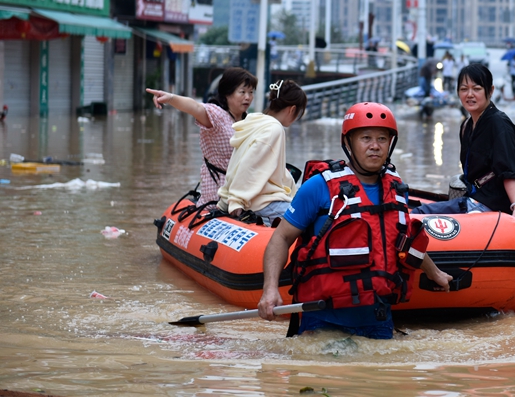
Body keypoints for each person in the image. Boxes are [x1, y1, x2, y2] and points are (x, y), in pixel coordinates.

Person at [257, 103, 452, 338]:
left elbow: (401, 242)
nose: (375, 146)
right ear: (348, 143)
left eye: (382, 138)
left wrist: (435, 273)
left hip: (378, 319)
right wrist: (270, 290)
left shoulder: (397, 188)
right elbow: (281, 237)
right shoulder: (319, 187)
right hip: (324, 318)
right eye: (366, 138)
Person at [411, 63, 515, 221]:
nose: (469, 94)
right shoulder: (466, 125)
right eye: (464, 89)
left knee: (418, 214)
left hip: (489, 205)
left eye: (477, 89)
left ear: (490, 91)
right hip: (473, 197)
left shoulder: (499, 124)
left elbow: (508, 170)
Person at [146, 67, 257, 206]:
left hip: (244, 193)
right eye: (242, 92)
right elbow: (195, 107)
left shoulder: (251, 121)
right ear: (227, 93)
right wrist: (171, 98)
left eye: (251, 92)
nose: (248, 97)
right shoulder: (216, 115)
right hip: (218, 194)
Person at [216, 80, 307, 226]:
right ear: (292, 109)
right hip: (261, 203)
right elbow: (249, 164)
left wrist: (227, 199)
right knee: (310, 217)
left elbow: (247, 162)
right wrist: (236, 201)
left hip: (247, 197)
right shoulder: (274, 129)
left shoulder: (256, 121)